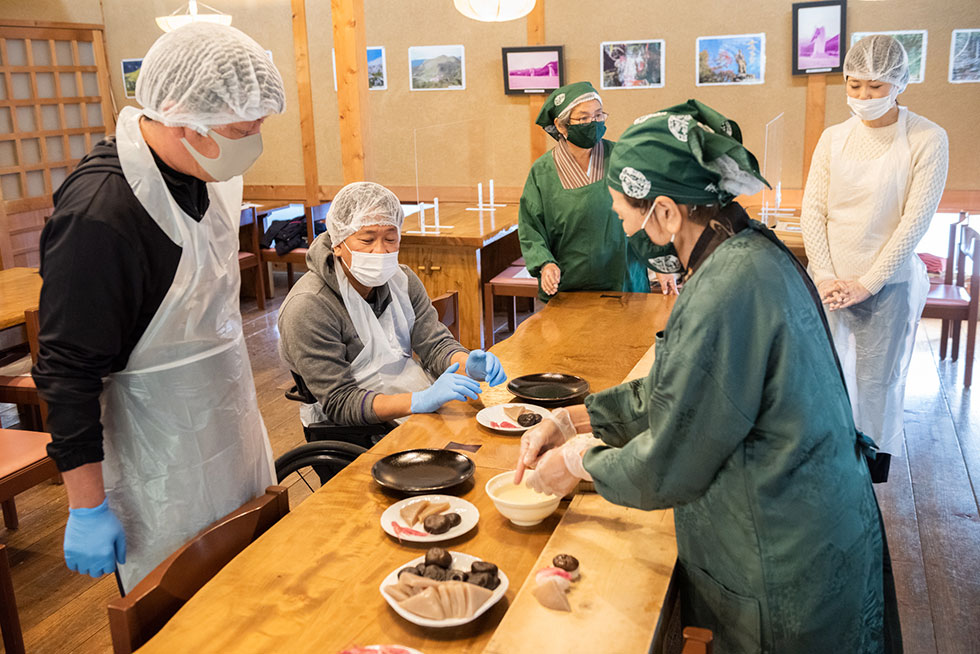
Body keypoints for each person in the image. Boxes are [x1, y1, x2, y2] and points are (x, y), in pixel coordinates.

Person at [513, 100, 901, 652]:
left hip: (784, 551)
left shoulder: (728, 287)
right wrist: (573, 420)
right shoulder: (741, 250)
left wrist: (578, 463)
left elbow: (671, 461)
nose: (626, 229)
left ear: (667, 213)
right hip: (809, 522)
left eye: (626, 213)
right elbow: (677, 388)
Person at [32, 23, 286, 592]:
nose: (253, 140)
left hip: (231, 428)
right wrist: (86, 507)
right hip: (156, 461)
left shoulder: (206, 172)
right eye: (241, 129)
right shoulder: (102, 215)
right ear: (178, 117)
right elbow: (67, 371)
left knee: (255, 593)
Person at [802, 34, 948, 469]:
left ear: (900, 83)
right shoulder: (832, 138)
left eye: (876, 86)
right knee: (823, 379)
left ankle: (869, 481)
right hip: (828, 282)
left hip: (887, 282)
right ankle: (826, 469)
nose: (863, 96)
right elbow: (814, 209)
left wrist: (868, 282)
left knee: (875, 385)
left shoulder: (927, 138)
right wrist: (826, 276)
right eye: (854, 85)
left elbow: (914, 223)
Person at [277, 182, 506, 434]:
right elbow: (340, 401)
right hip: (356, 428)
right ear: (338, 243)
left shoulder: (402, 280)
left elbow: (435, 344)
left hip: (413, 406)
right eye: (367, 239)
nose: (380, 251)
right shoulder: (309, 306)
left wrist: (467, 363)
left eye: (390, 238)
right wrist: (419, 401)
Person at [518, 81, 681, 301]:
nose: (593, 123)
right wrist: (545, 264)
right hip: (570, 283)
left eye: (598, 115)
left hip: (624, 278)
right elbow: (531, 228)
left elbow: (649, 211)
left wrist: (662, 263)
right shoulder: (543, 172)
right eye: (583, 118)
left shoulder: (622, 157)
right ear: (561, 125)